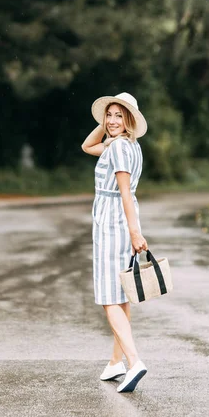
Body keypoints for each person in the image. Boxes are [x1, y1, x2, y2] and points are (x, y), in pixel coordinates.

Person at [81, 92, 149, 393]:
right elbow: (87, 146)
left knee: (108, 297)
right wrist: (106, 125)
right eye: (109, 115)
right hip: (119, 219)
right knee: (121, 295)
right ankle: (115, 362)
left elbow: (123, 192)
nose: (111, 121)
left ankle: (134, 361)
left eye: (119, 116)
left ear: (130, 120)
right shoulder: (129, 145)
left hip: (113, 221)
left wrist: (136, 233)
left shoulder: (119, 148)